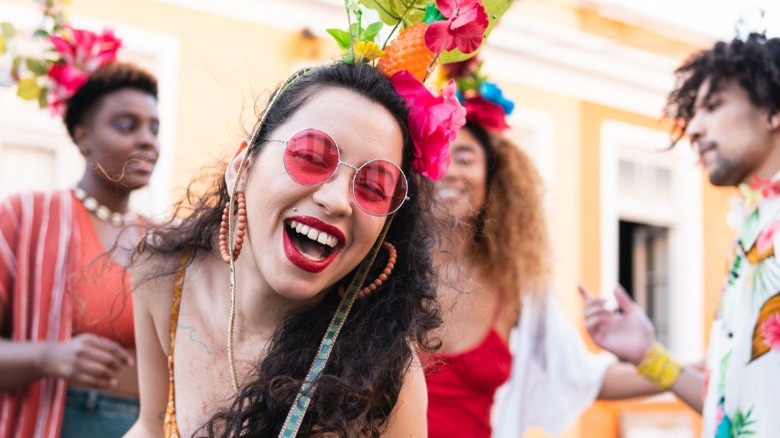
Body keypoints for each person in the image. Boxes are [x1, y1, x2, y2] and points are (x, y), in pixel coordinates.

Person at [125, 60, 463, 437]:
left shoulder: (386, 375)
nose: (337, 200)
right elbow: (150, 426)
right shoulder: (164, 277)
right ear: (243, 165)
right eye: (311, 157)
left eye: (373, 186)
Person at [425, 59, 667, 438]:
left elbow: (586, 378)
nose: (449, 169)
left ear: (494, 177)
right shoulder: (373, 271)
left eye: (466, 157)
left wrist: (690, 370)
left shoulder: (517, 288)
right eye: (436, 152)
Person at [581, 32, 780, 437]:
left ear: (773, 109)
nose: (694, 128)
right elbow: (731, 415)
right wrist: (647, 356)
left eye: (713, 105)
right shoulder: (753, 230)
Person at [0, 46, 160, 438]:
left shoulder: (163, 240)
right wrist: (48, 356)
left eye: (153, 128)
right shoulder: (26, 215)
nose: (146, 141)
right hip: (53, 422)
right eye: (127, 126)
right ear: (82, 135)